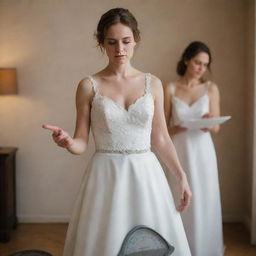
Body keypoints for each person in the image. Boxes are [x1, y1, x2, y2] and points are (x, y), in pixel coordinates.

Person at [43, 8, 192, 256]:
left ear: (136, 40)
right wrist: (67, 141)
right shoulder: (88, 85)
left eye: (126, 41)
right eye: (111, 42)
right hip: (106, 175)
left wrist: (181, 177)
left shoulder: (152, 83)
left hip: (146, 174)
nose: (119, 49)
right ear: (101, 43)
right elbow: (81, 143)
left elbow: (161, 138)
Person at [164, 41, 224, 256]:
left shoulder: (211, 88)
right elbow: (163, 129)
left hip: (203, 151)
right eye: (197, 62)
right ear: (187, 60)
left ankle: (204, 248)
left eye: (205, 65)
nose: (201, 68)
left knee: (203, 197)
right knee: (178, 195)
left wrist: (209, 121)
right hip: (180, 150)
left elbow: (216, 127)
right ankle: (180, 248)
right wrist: (178, 128)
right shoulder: (170, 88)